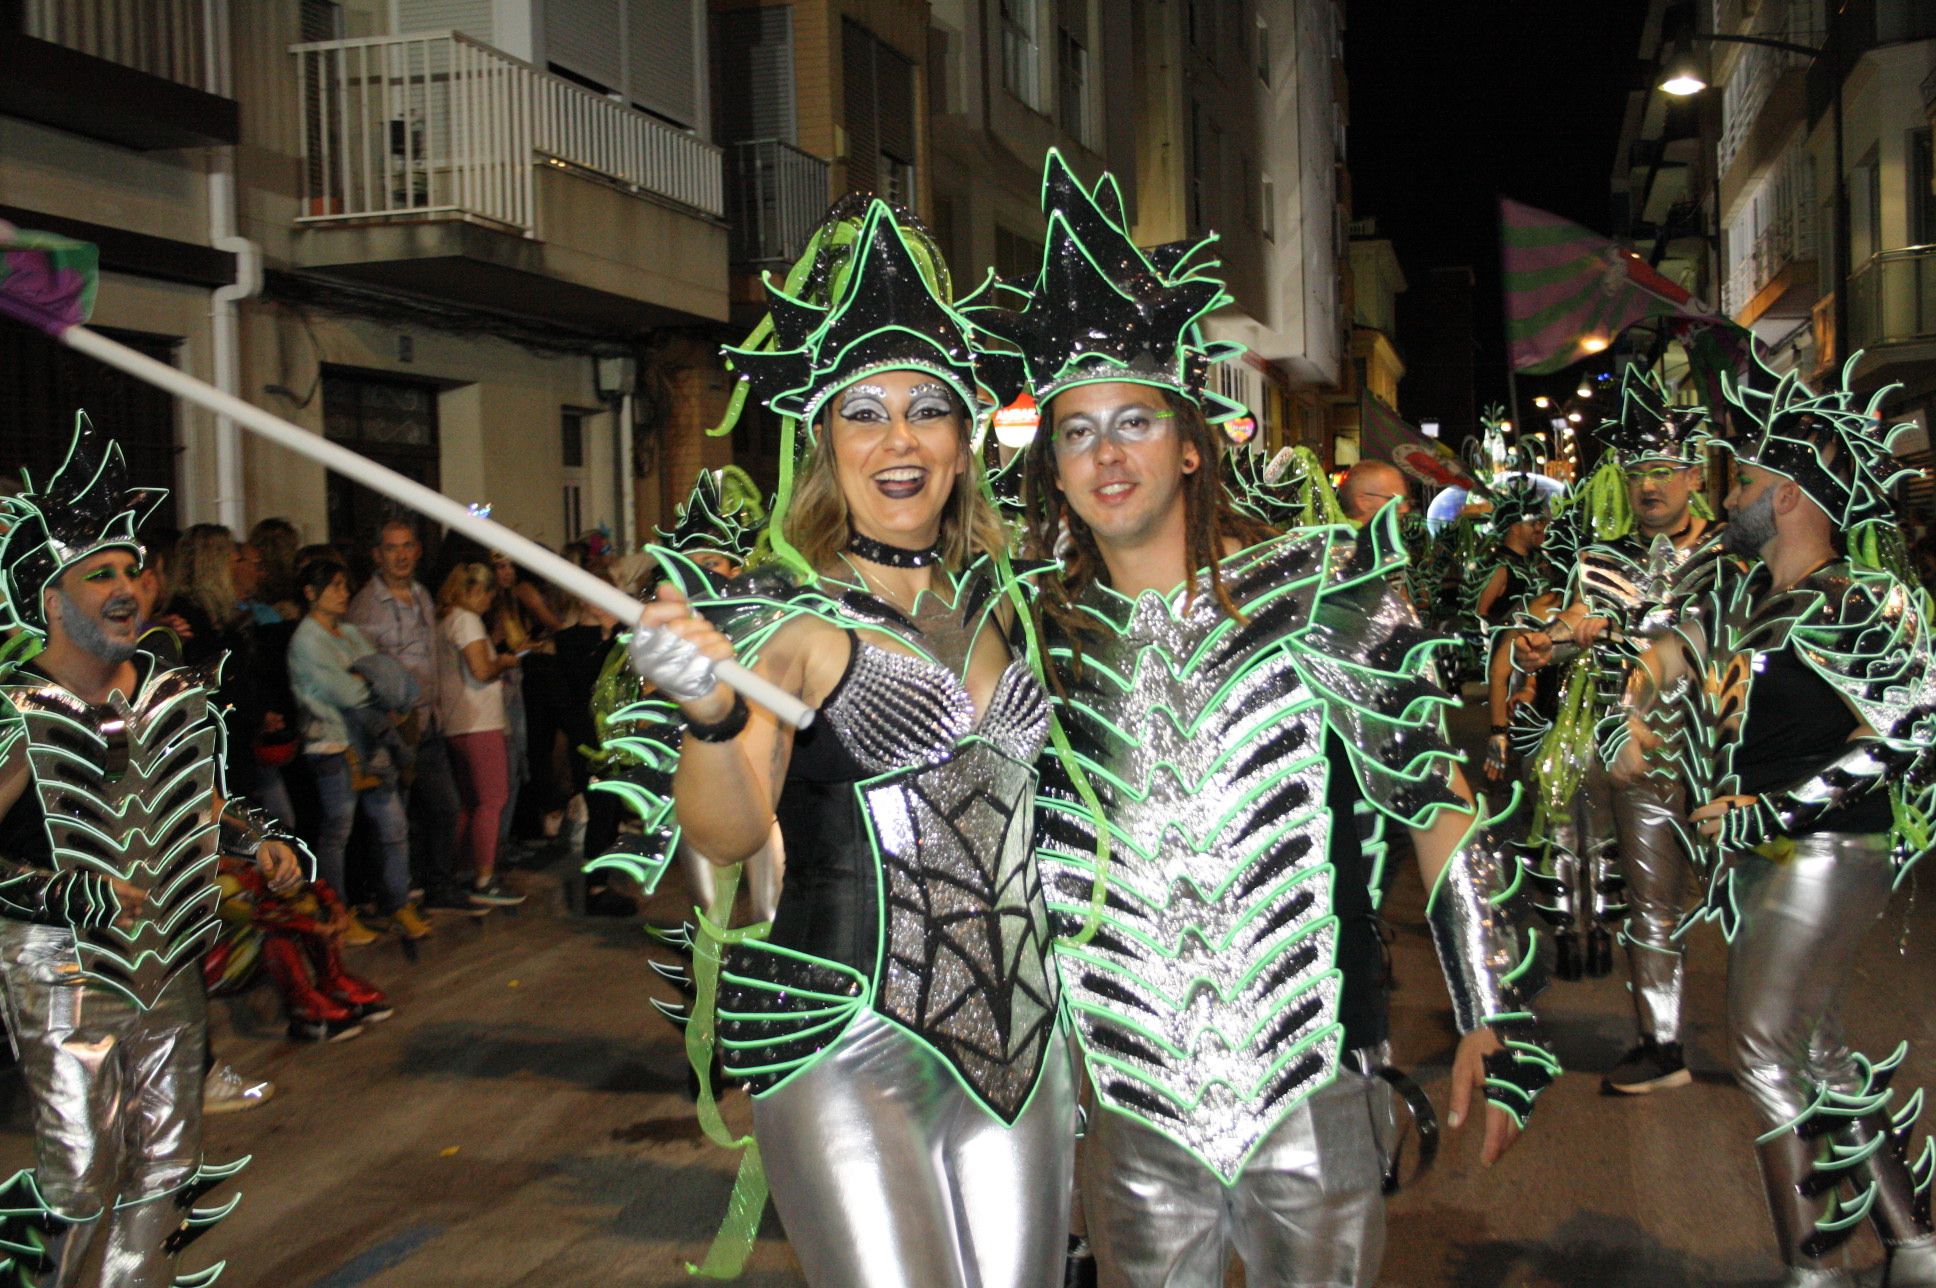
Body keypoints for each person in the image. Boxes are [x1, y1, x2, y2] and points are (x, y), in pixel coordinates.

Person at [972, 149, 1556, 1287]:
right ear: (1052, 461)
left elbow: (1434, 793)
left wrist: (1491, 1005)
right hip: (1131, 1106)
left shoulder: (1322, 596)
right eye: (1078, 430)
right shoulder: (1032, 639)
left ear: (1190, 443)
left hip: (1316, 1086)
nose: (1105, 455)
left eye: (1133, 420)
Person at [626, 197, 1074, 1288]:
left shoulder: (1016, 609)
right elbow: (728, 834)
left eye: (928, 409)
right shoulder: (792, 627)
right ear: (825, 440)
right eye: (864, 412)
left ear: (966, 439)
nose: (900, 438)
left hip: (1026, 1048)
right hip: (845, 1042)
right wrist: (708, 712)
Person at [1618, 360, 1936, 1286]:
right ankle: (1912, 1245)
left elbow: (1912, 730)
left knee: (1762, 1052)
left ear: (1789, 495)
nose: (1732, 498)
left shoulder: (1855, 599)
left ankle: (1816, 1269)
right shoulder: (1769, 603)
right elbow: (1697, 675)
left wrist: (1772, 808)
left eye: (1747, 483)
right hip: (1785, 853)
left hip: (1825, 850)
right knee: (1817, 1049)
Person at [0, 412, 304, 1286]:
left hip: (167, 950)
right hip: (61, 967)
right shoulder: (20, 714)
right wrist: (57, 895)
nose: (129, 586)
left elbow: (200, 796)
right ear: (52, 600)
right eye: (100, 575)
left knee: (167, 1163)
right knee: (81, 1178)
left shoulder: (170, 689)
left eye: (136, 567)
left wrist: (260, 840)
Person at [1511, 369, 1718, 1074]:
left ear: (1693, 476)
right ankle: (1661, 1040)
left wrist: (1614, 630)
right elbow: (1576, 620)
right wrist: (1550, 641)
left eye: (1663, 472)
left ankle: (1785, 1036)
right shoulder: (1603, 558)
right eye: (1638, 476)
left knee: (1745, 904)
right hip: (1634, 749)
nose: (1650, 487)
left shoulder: (1729, 557)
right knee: (1651, 898)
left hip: (1721, 752)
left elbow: (1720, 637)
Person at [287, 559, 432, 942]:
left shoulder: (350, 633)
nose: (343, 592)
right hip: (332, 743)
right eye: (333, 586)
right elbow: (348, 690)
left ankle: (398, 902)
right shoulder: (307, 640)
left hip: (371, 741)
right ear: (310, 592)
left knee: (393, 826)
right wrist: (372, 679)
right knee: (339, 830)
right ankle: (338, 910)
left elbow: (392, 679)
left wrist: (371, 679)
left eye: (343, 585)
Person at [347, 519, 467, 910]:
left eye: (407, 546)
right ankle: (390, 894)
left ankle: (437, 884)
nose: (400, 555)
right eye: (391, 548)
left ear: (417, 550)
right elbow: (361, 665)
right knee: (391, 814)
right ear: (377, 555)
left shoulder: (422, 595)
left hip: (427, 719)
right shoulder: (367, 604)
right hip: (395, 723)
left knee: (443, 804)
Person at [436, 562, 524, 907]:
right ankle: (484, 879)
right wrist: (504, 661)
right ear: (476, 590)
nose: (490, 602)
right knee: (492, 800)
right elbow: (481, 669)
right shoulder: (467, 620)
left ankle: (462, 869)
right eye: (488, 594)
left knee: (469, 805)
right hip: (479, 723)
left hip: (456, 724)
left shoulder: (445, 618)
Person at [1337, 458, 1412, 525]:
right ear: (1364, 502)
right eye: (1393, 500)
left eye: (1406, 500)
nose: (1405, 509)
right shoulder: (1351, 539)